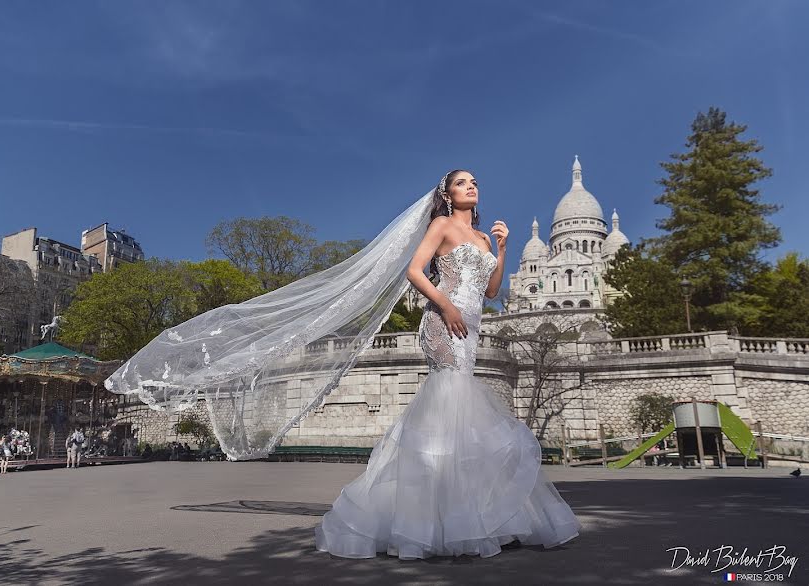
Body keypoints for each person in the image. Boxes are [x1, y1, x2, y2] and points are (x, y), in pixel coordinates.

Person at [105, 171, 582, 560]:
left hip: (473, 323)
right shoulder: (441, 228)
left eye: (475, 183)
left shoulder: (481, 233)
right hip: (444, 321)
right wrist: (447, 306)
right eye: (462, 183)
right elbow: (415, 272)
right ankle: (442, 520)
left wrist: (501, 247)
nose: (472, 188)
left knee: (458, 411)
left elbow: (494, 291)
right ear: (447, 194)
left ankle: (466, 514)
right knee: (451, 403)